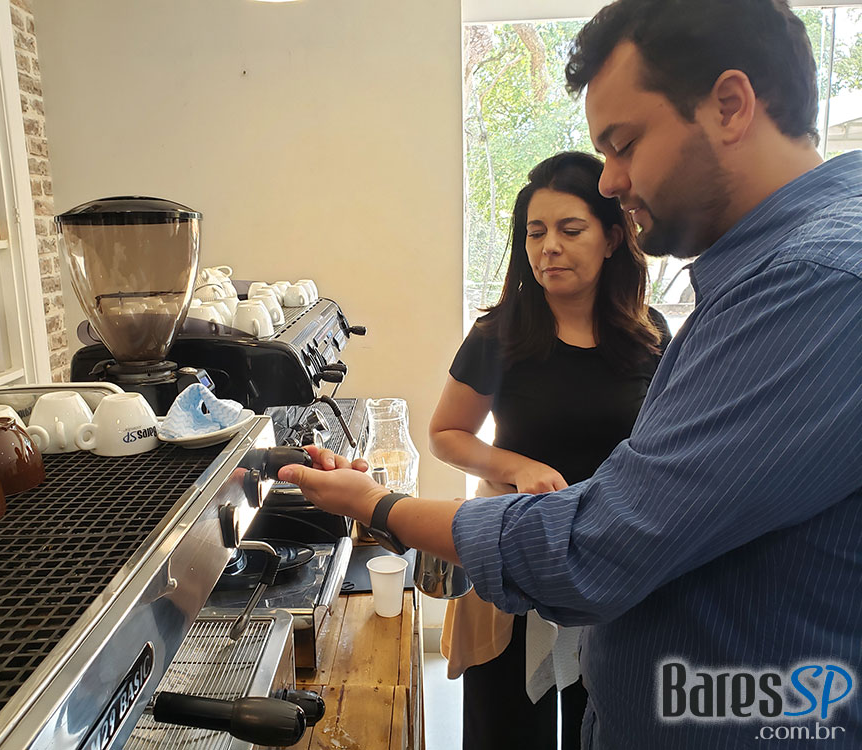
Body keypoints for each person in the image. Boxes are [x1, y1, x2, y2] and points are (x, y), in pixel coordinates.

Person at [278, 0, 862, 746]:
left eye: (624, 144)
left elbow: (596, 548)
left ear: (730, 105)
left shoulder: (811, 286)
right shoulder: (750, 282)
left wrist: (380, 505)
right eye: (535, 232)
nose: (611, 180)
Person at [429, 151, 670, 750]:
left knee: (607, 719)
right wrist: (519, 467)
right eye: (535, 233)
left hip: (610, 558)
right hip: (514, 555)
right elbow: (446, 433)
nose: (549, 248)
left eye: (570, 229)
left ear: (612, 238)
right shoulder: (499, 334)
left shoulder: (649, 333)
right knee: (509, 728)